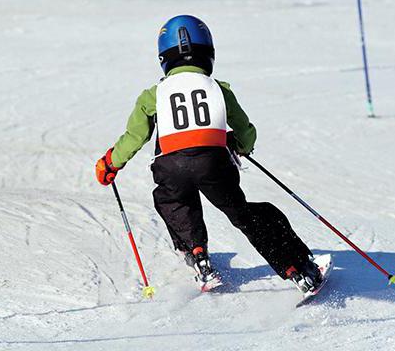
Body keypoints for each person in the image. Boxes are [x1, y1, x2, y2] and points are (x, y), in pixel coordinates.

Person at [95, 15, 322, 293]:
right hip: (213, 164)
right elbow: (246, 131)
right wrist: (239, 144)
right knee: (246, 217)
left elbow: (135, 137)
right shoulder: (219, 89)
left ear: (163, 59)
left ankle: (199, 258)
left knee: (174, 203)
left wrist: (110, 163)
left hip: (170, 165)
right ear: (209, 54)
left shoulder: (154, 94)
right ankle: (298, 270)